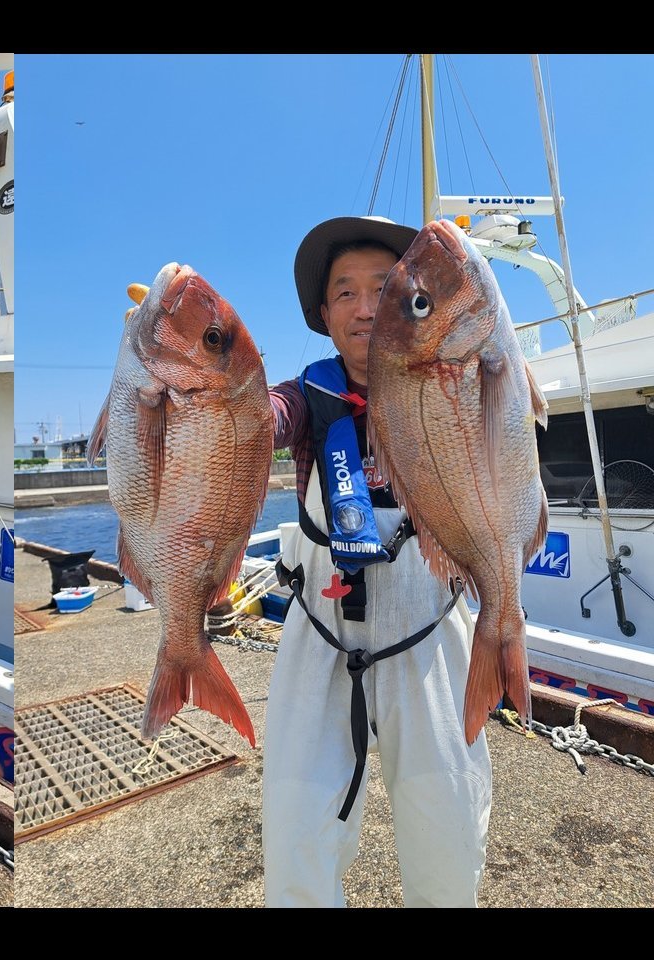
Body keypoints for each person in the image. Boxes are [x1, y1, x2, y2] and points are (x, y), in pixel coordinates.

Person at [261, 216, 491, 907]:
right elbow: (260, 420)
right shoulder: (305, 399)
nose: (365, 308)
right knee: (296, 826)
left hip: (431, 626)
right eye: (344, 293)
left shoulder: (450, 381)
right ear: (323, 315)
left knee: (448, 820)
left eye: (384, 289)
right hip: (321, 633)